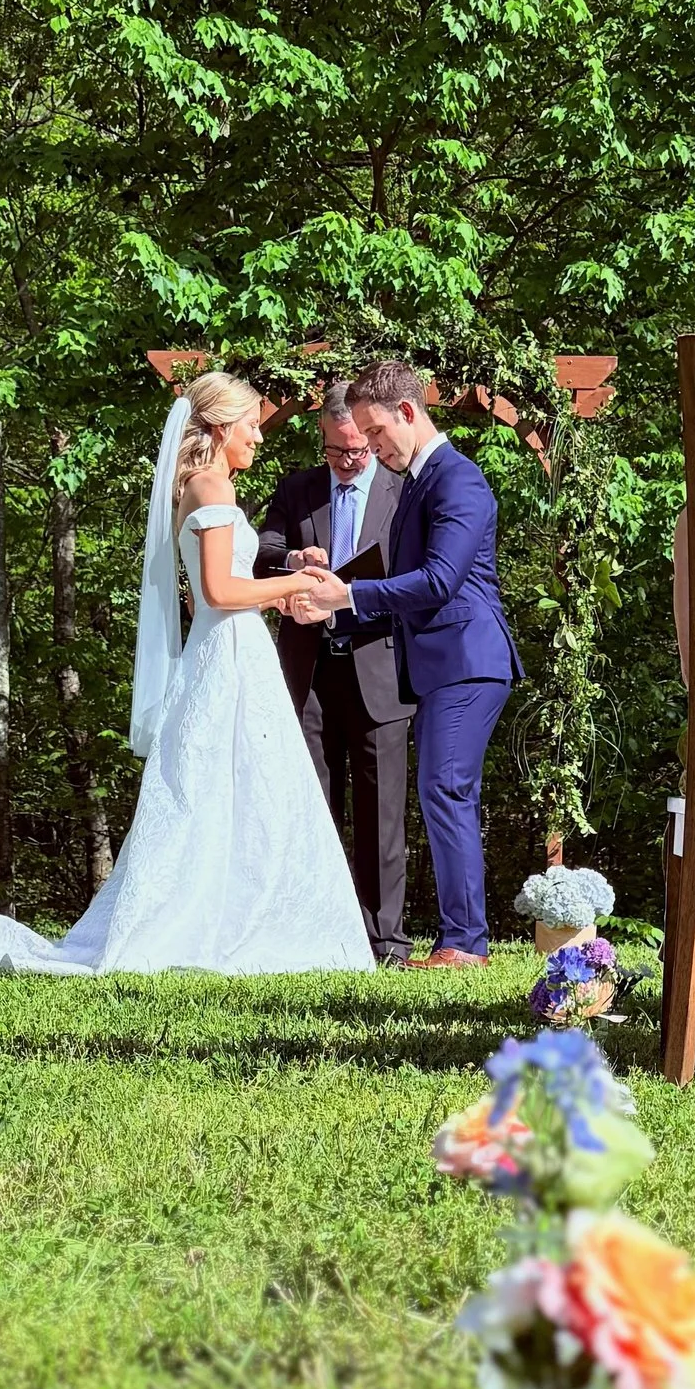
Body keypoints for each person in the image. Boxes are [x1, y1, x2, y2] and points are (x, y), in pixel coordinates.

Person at [0, 372, 372, 978]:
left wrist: (278, 590)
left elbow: (228, 591)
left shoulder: (204, 485)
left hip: (229, 647)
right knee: (231, 786)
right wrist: (299, 583)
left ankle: (232, 914)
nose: (259, 436)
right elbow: (219, 591)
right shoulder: (212, 488)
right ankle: (231, 923)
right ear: (223, 427)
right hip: (227, 653)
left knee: (232, 786)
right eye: (252, 425)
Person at [295, 359, 521, 966]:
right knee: (445, 790)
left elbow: (440, 581)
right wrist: (331, 598)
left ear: (407, 412)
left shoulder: (457, 480)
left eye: (374, 434)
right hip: (440, 665)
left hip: (468, 661)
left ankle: (465, 944)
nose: (368, 447)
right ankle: (462, 938)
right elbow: (402, 583)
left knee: (445, 788)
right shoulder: (424, 481)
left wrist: (347, 595)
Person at [254, 381, 411, 962]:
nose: (347, 462)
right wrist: (295, 559)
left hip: (380, 666)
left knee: (381, 811)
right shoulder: (297, 489)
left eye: (358, 451)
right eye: (336, 451)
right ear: (322, 437)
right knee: (311, 803)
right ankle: (315, 930)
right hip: (309, 668)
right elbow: (259, 549)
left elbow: (418, 574)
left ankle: (384, 938)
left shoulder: (403, 493)